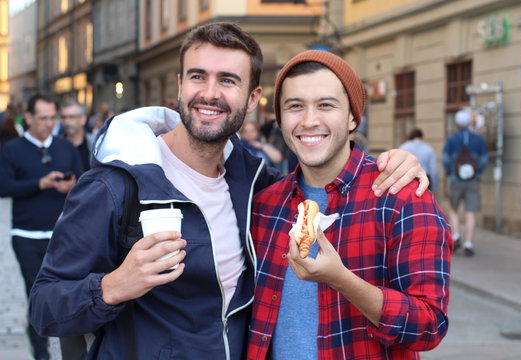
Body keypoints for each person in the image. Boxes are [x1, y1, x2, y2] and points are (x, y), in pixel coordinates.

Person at [28, 23, 428, 359]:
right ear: (181, 85)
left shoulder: (256, 185)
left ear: (253, 98)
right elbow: (45, 307)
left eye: (228, 80)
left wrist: (394, 161)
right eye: (198, 76)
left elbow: (325, 161)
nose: (210, 93)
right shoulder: (114, 186)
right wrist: (114, 286)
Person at [247, 50, 452, 359]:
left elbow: (429, 325)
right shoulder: (264, 205)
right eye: (295, 106)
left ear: (353, 117)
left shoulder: (400, 197)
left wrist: (342, 280)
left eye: (326, 105)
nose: (309, 120)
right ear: (279, 119)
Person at [0, 94, 84, 360]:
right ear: (29, 118)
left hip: (63, 235)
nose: (50, 124)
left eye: (53, 118)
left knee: (69, 298)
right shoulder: (12, 149)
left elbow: (83, 181)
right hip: (26, 235)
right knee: (37, 298)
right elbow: (4, 187)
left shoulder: (65, 147)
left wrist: (71, 186)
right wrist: (39, 183)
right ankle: (41, 355)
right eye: (44, 118)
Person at [442, 109, 488, 256]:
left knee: (454, 209)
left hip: (455, 179)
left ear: (456, 124)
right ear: (469, 122)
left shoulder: (452, 139)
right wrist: (477, 173)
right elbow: (484, 159)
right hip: (473, 180)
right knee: (470, 212)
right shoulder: (478, 139)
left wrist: (450, 172)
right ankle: (469, 243)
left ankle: (456, 236)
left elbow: (445, 158)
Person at [399, 127, 439, 192]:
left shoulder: (403, 147)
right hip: (425, 179)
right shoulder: (428, 149)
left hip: (407, 179)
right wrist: (435, 187)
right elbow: (433, 170)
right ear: (422, 137)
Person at [60, 101, 94, 172]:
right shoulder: (56, 145)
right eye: (64, 117)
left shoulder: (95, 144)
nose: (67, 122)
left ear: (83, 119)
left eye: (71, 117)